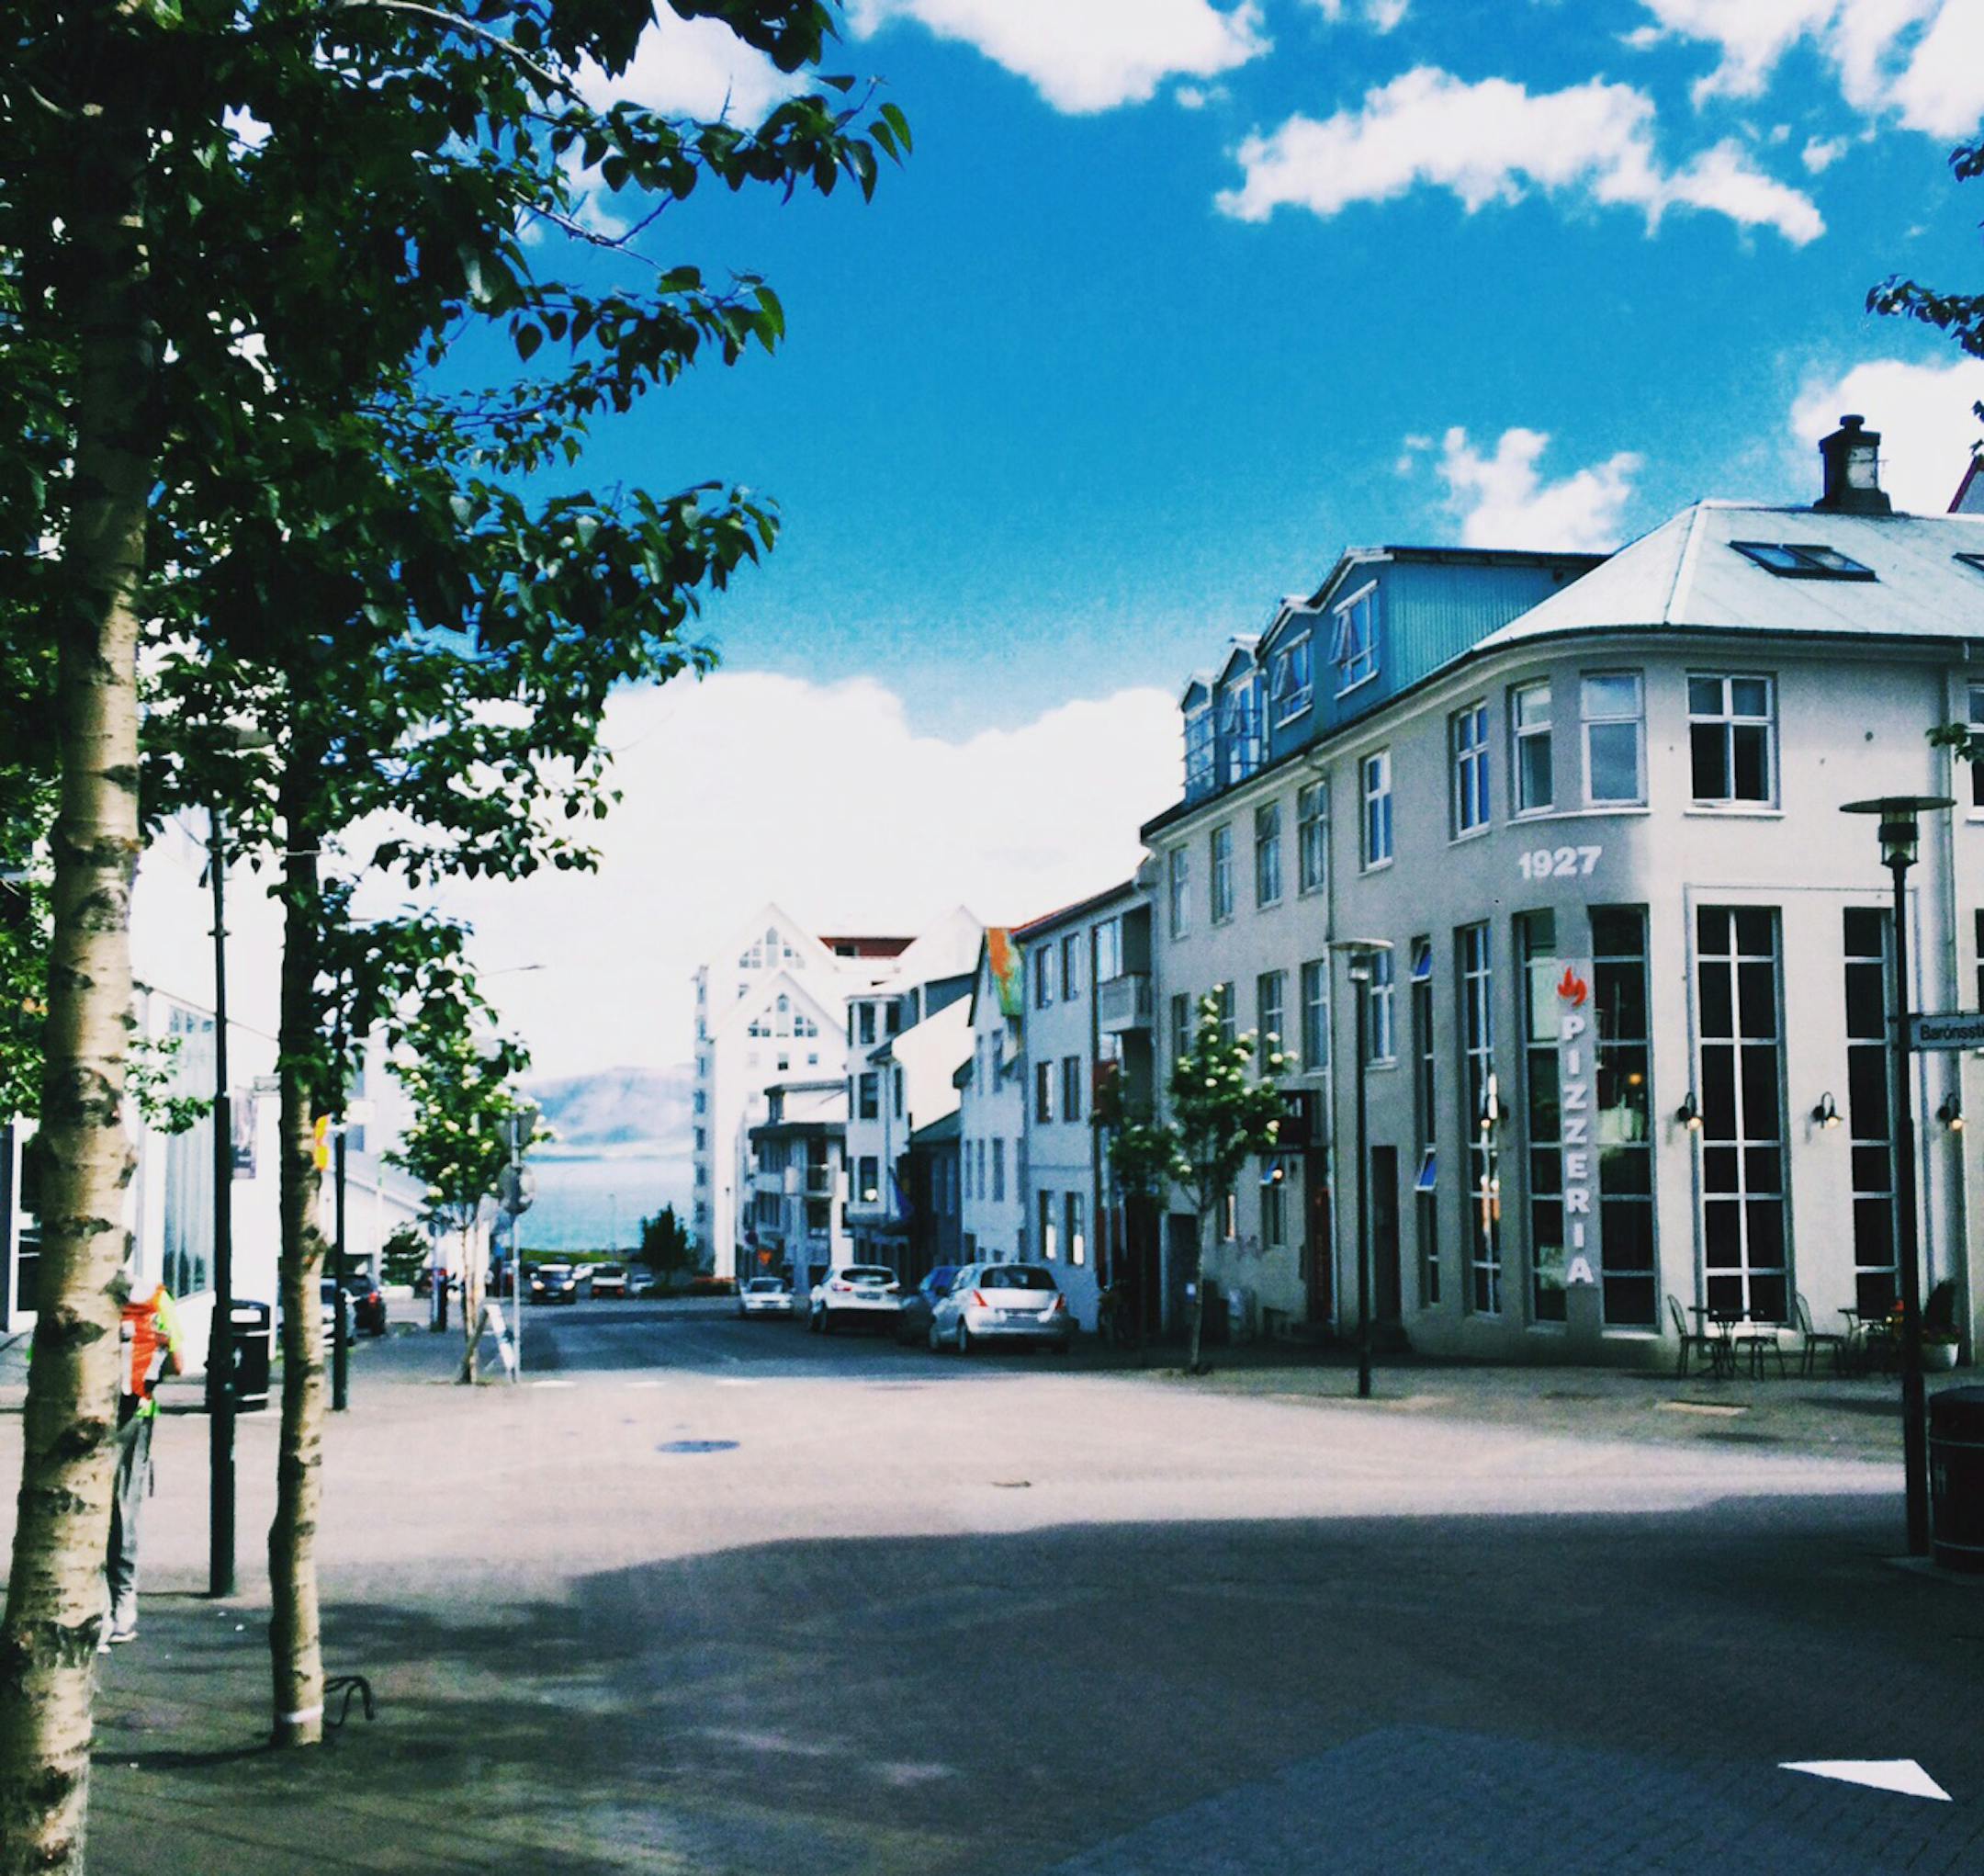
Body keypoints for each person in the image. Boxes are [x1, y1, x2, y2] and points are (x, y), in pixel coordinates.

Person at [103, 1263, 184, 1649]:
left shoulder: (79, 1294)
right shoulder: (155, 1297)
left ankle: (94, 1604)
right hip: (136, 1413)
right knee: (124, 1509)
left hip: (81, 1416)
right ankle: (123, 1603)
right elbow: (180, 1363)